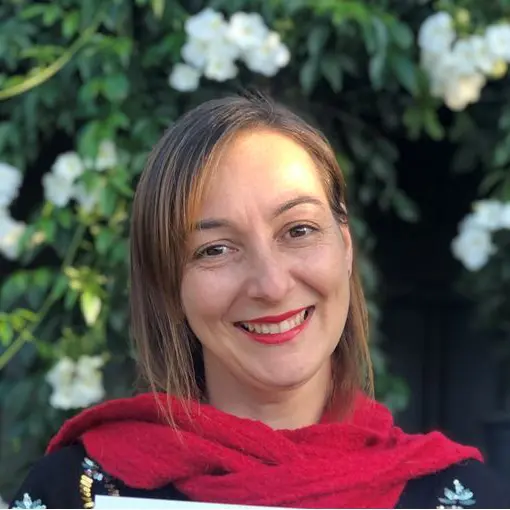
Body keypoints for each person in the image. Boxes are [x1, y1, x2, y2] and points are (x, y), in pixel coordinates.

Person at [9, 94, 510, 509]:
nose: (270, 285)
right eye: (215, 249)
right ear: (168, 283)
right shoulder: (73, 493)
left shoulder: (463, 499)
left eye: (298, 230)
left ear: (345, 246)